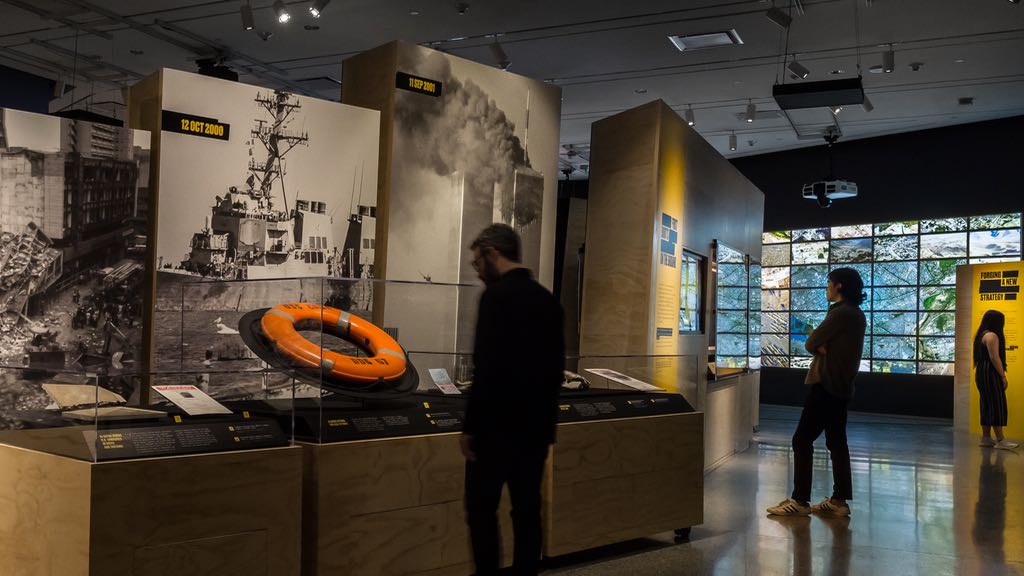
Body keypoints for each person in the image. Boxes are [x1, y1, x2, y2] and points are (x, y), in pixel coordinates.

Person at [461, 224, 565, 575]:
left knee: (480, 510)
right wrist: (546, 429)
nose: (478, 271)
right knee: (527, 512)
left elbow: (486, 367)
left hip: (495, 431)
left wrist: (470, 428)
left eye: (478, 263)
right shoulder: (549, 301)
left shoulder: (495, 298)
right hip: (534, 432)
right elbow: (555, 371)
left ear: (492, 253)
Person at [767, 267, 866, 518]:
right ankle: (838, 500)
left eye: (829, 283)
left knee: (801, 440)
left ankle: (799, 501)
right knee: (836, 443)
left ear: (839, 286)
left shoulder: (840, 314)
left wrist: (822, 347)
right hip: (842, 388)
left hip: (825, 386)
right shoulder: (857, 314)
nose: (827, 288)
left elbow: (811, 342)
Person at [974, 310, 1018, 450]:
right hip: (990, 372)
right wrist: (1003, 375)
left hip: (981, 371)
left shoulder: (981, 334)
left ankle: (986, 437)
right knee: (996, 403)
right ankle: (1001, 439)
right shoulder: (992, 335)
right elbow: (994, 358)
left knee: (986, 403)